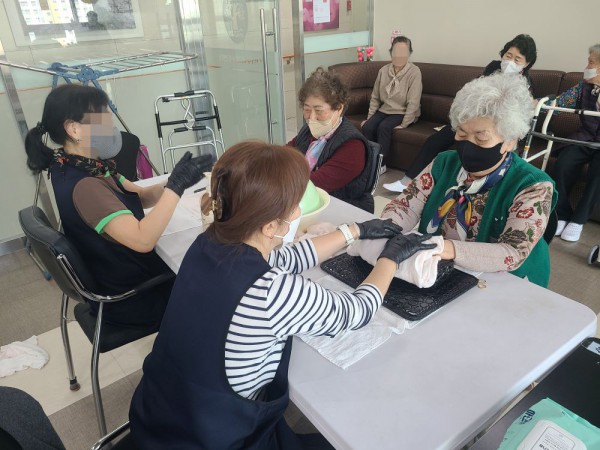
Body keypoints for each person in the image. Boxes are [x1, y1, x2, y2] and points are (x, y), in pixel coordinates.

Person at [129, 141, 434, 449]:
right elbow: (357, 310)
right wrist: (389, 259)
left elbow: (285, 258)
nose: (298, 211)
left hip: (158, 416)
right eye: (294, 205)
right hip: (215, 440)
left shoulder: (206, 244)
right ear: (270, 226)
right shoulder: (272, 292)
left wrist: (354, 231)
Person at [24, 84, 212, 326]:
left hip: (128, 274)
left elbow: (141, 196)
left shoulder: (79, 164)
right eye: (102, 117)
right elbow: (143, 240)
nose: (111, 125)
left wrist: (175, 179)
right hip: (134, 297)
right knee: (211, 279)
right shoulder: (86, 186)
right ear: (74, 129)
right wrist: (176, 188)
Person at [381, 74, 556, 288]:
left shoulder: (533, 186)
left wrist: (443, 248)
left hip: (509, 281)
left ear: (510, 142)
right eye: (462, 134)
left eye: (481, 138)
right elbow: (406, 206)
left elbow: (512, 252)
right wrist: (386, 228)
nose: (468, 145)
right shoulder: (445, 163)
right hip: (443, 268)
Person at [383, 34, 537, 193]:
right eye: (508, 55)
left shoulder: (526, 83)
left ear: (526, 64)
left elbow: (519, 118)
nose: (510, 62)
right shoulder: (493, 67)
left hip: (497, 129)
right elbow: (473, 92)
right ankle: (407, 181)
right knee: (435, 140)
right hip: (472, 120)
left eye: (517, 59)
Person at [289, 68, 375, 213]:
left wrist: (281, 174)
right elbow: (285, 154)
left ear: (339, 108)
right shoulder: (309, 131)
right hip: (310, 201)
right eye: (307, 109)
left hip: (344, 210)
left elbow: (315, 184)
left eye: (319, 110)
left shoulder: (353, 146)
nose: (312, 118)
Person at [550, 44, 600, 242]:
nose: (586, 67)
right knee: (563, 163)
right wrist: (539, 103)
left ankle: (578, 220)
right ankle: (561, 214)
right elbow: (561, 101)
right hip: (585, 137)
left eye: (591, 62)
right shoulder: (584, 86)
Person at [361, 35, 422, 173]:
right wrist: (370, 118)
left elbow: (413, 101)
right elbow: (375, 97)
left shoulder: (414, 72)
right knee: (368, 127)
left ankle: (381, 165)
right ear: (391, 53)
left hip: (402, 111)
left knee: (384, 127)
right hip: (385, 110)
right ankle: (369, 161)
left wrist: (405, 123)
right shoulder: (383, 71)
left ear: (409, 53)